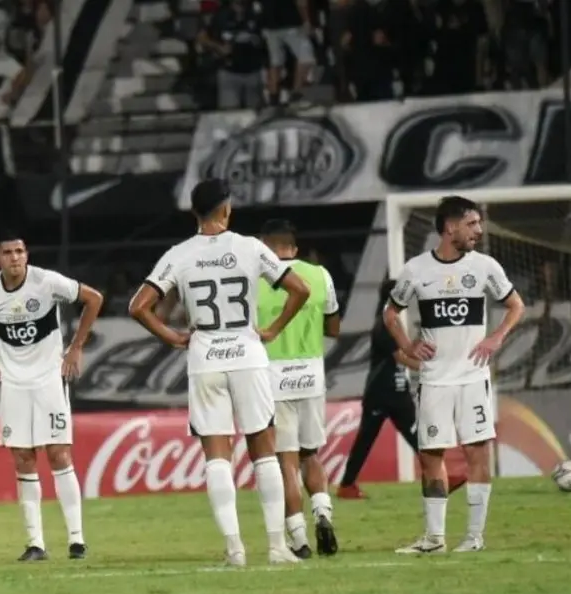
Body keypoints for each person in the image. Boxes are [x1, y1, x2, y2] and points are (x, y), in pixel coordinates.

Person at [128, 178, 310, 566]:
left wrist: (173, 337)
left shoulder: (179, 253)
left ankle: (235, 550)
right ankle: (277, 547)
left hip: (206, 356)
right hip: (247, 353)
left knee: (216, 456)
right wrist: (274, 329)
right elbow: (299, 289)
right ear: (226, 208)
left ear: (195, 212)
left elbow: (138, 306)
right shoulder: (250, 247)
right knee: (263, 450)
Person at [385, 196, 524, 554]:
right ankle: (434, 538)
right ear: (450, 228)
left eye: (478, 224)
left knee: (477, 453)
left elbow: (515, 305)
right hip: (433, 380)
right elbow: (390, 312)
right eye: (472, 224)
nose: (478, 230)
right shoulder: (416, 270)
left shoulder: (485, 267)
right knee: (431, 456)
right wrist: (407, 344)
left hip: (473, 378)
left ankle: (474, 537)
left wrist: (496, 337)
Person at [0, 233, 104, 562]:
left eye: (20, 251)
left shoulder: (46, 282)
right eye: (8, 252)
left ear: (27, 255)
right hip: (13, 385)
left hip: (48, 381)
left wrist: (77, 346)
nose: (15, 257)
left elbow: (94, 298)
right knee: (24, 459)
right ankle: (35, 544)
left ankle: (76, 540)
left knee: (58, 455)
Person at [255, 220, 339, 558]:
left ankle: (300, 539)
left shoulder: (257, 280)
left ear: (265, 246)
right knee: (311, 453)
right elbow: (333, 328)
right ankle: (323, 513)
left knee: (285, 460)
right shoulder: (320, 276)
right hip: (311, 375)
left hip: (274, 378)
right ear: (294, 247)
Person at [337, 280, 466, 500]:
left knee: (418, 436)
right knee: (367, 440)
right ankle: (347, 485)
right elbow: (401, 357)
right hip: (381, 392)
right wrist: (430, 369)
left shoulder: (392, 322)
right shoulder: (385, 324)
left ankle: (440, 477)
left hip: (396, 391)